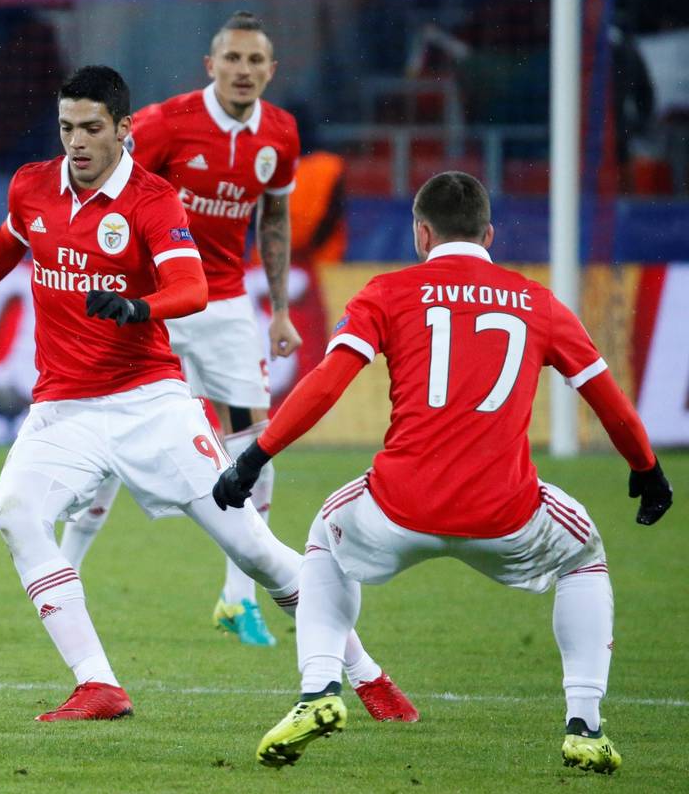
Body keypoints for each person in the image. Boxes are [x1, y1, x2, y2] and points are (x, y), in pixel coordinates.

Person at [0, 65, 415, 722]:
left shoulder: (152, 200)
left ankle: (369, 675)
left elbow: (192, 287)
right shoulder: (32, 185)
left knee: (254, 550)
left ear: (124, 128)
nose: (77, 142)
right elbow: (8, 241)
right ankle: (98, 685)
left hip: (149, 404)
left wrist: (137, 307)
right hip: (63, 408)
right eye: (67, 127)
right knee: (15, 512)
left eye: (92, 127)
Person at [213, 171, 673, 772]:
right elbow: (607, 398)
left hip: (398, 507)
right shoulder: (537, 301)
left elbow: (326, 384)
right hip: (505, 513)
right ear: (488, 234)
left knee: (325, 536)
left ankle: (319, 690)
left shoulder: (387, 292)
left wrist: (254, 457)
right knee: (584, 553)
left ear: (421, 234)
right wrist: (646, 467)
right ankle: (584, 725)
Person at [58, 11, 302, 649]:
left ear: (271, 71)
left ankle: (238, 597)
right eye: (233, 59)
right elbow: (108, 187)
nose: (243, 71)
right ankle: (64, 573)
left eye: (255, 61)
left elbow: (274, 218)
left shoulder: (280, 134)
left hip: (225, 304)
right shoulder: (166, 124)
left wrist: (279, 308)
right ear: (211, 65)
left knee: (255, 444)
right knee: (114, 428)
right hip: (153, 300)